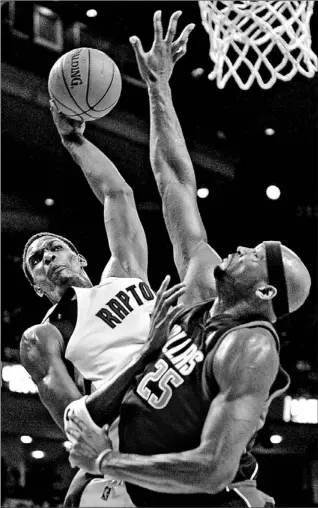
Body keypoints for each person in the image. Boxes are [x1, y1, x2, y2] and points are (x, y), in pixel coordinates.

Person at [65, 10, 312, 508]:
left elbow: (212, 471)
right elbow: (175, 179)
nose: (240, 249)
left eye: (255, 255)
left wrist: (105, 462)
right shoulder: (202, 287)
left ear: (265, 292)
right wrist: (158, 84)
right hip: (140, 485)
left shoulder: (251, 349)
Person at [20, 102, 186, 507]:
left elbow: (118, 193)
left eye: (56, 248)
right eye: (36, 262)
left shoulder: (124, 271)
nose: (48, 258)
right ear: (38, 288)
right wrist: (145, 356)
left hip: (186, 401)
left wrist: (73, 140)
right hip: (132, 435)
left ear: (81, 259)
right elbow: (74, 420)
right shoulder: (43, 335)